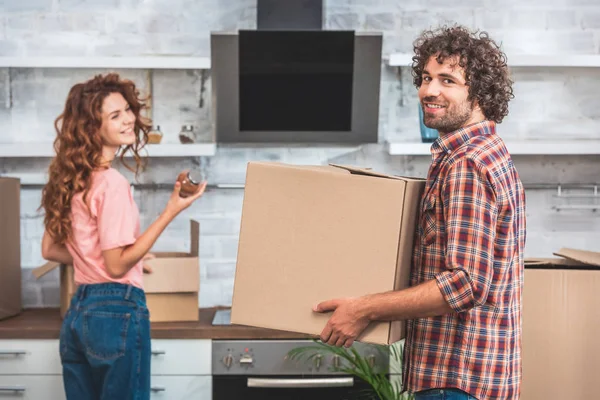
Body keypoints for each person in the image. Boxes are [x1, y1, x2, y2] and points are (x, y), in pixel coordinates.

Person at [313, 25, 525, 400]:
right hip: (464, 378)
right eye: (426, 78)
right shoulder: (482, 152)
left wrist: (363, 308)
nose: (429, 90)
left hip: (456, 381)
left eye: (448, 80)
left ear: (480, 93)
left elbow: (465, 284)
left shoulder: (468, 164)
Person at [40, 73, 207, 400]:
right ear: (92, 127)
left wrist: (125, 257)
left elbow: (51, 249)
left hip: (78, 313)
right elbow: (116, 266)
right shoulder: (111, 183)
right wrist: (171, 210)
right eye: (115, 115)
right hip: (116, 310)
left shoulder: (72, 178)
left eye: (127, 110)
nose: (130, 118)